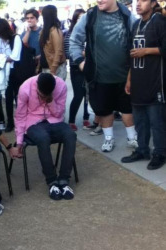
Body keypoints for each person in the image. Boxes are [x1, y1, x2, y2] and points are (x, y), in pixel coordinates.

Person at [70, 0, 138, 152]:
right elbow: (74, 41)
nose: (99, 0)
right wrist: (81, 63)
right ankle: (108, 138)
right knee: (104, 109)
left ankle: (132, 138)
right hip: (99, 78)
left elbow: (136, 42)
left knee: (127, 109)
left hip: (124, 77)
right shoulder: (90, 16)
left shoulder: (127, 15)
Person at [15, 73, 77, 200]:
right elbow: (20, 116)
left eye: (46, 95)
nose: (43, 98)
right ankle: (52, 181)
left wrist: (51, 101)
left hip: (55, 121)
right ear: (37, 86)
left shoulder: (61, 86)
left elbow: (59, 112)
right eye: (41, 96)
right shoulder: (25, 88)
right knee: (43, 138)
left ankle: (64, 180)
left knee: (71, 135)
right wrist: (19, 141)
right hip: (33, 123)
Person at [121, 0, 166, 170]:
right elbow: (132, 55)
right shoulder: (136, 24)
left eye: (143, 0)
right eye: (137, 1)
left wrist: (147, 51)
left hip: (156, 81)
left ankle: (160, 153)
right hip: (138, 80)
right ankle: (142, 150)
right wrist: (129, 78)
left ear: (153, 2)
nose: (138, 4)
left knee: (157, 121)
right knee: (140, 120)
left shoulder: (160, 22)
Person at [0, 18, 22, 132]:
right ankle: (10, 121)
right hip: (4, 71)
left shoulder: (16, 38)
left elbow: (15, 56)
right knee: (8, 98)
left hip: (16, 71)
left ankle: (21, 120)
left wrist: (2, 59)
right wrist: (2, 58)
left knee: (19, 97)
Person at [64, 8, 91, 131]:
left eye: (83, 18)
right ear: (75, 20)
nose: (82, 20)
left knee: (88, 95)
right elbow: (68, 53)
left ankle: (86, 118)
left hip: (90, 67)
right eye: (79, 18)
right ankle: (71, 120)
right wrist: (83, 54)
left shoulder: (90, 33)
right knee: (78, 95)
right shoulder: (70, 34)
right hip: (76, 68)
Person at [40, 5, 67, 80]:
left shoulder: (55, 31)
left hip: (54, 69)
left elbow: (58, 50)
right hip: (46, 68)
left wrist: (53, 69)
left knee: (56, 91)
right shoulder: (44, 31)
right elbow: (43, 51)